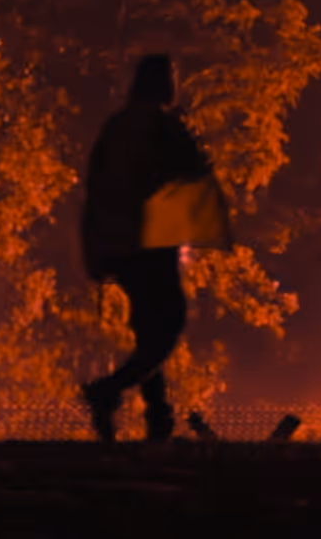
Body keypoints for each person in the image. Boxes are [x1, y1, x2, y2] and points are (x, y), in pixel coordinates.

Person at [78, 53, 218, 442]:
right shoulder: (163, 126)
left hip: (116, 242)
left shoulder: (116, 126)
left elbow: (94, 187)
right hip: (153, 239)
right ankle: (109, 389)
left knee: (148, 330)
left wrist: (91, 244)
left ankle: (159, 418)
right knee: (168, 325)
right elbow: (196, 169)